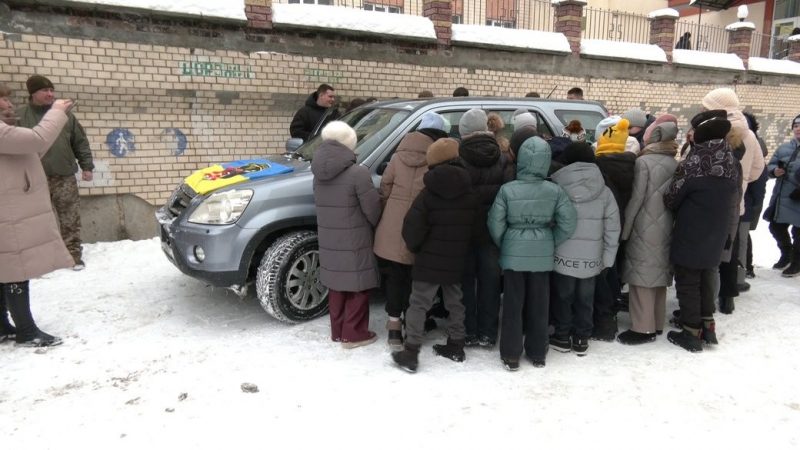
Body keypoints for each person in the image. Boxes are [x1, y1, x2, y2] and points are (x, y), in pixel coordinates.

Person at [488, 136, 577, 370]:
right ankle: (537, 352)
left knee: (512, 305)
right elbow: (568, 222)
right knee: (540, 305)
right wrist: (549, 240)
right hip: (542, 255)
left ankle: (510, 354)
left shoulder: (507, 190)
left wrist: (507, 243)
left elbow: (495, 224)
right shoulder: (555, 191)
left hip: (513, 253)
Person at [392, 138, 480, 373]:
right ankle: (456, 345)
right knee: (455, 302)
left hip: (428, 259)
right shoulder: (470, 191)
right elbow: (476, 228)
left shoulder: (427, 193)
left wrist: (416, 248)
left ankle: (411, 352)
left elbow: (412, 227)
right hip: (457, 258)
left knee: (418, 303)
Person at [0, 85, 75, 346]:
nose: (8, 104)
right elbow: (37, 140)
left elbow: (31, 150)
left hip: (10, 210)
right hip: (9, 215)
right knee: (16, 269)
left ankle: (3, 327)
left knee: (5, 268)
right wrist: (56, 112)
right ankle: (27, 332)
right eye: (2, 99)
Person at [664, 110, 740, 352]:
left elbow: (671, 199)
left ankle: (690, 332)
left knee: (687, 281)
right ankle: (707, 325)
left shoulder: (693, 165)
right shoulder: (731, 162)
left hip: (691, 232)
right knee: (707, 276)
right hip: (717, 231)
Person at [373, 112, 449, 350]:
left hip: (392, 228)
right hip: (423, 229)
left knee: (395, 278)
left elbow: (384, 188)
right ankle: (416, 324)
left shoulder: (397, 156)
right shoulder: (438, 158)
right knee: (419, 281)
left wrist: (386, 215)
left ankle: (394, 329)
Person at [310, 121, 381, 349]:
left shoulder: (317, 174)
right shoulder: (358, 173)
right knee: (358, 286)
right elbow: (372, 210)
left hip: (330, 238)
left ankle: (338, 331)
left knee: (337, 285)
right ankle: (354, 334)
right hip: (355, 238)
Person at [16, 75, 93, 270]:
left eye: (52, 90)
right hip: (33, 178)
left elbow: (80, 141)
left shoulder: (65, 116)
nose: (50, 94)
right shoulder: (20, 116)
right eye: (45, 90)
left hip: (64, 175)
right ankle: (41, 259)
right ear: (33, 93)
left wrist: (87, 166)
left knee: (70, 216)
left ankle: (73, 255)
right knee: (36, 219)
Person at [549, 142, 618, 356]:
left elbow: (551, 222)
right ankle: (581, 337)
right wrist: (608, 258)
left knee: (563, 297)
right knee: (586, 299)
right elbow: (612, 227)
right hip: (592, 258)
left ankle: (561, 336)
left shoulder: (557, 187)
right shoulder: (604, 191)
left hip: (562, 256)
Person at [701, 87, 766, 313]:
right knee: (730, 250)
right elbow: (759, 168)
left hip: (708, 201)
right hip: (735, 202)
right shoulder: (749, 135)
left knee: (706, 251)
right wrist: (744, 180)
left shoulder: (711, 129)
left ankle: (703, 301)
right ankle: (727, 298)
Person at [617, 118, 679, 345]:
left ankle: (643, 328)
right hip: (667, 225)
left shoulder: (644, 163)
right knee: (659, 275)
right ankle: (657, 322)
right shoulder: (675, 163)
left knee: (641, 276)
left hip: (644, 225)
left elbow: (636, 199)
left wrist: (625, 231)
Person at [458, 109, 514, 347]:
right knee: (491, 281)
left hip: (465, 228)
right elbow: (508, 193)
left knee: (465, 282)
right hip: (493, 230)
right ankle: (488, 333)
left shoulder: (458, 155)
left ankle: (468, 330)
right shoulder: (502, 156)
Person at [592, 118, 636, 341]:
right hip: (623, 226)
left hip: (601, 226)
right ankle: (611, 316)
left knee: (601, 275)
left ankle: (603, 324)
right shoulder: (633, 164)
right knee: (614, 272)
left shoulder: (599, 166)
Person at [763, 114, 800, 277]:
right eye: (796, 125)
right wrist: (774, 171)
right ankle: (787, 254)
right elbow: (770, 166)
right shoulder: (784, 148)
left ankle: (797, 263)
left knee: (798, 233)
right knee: (776, 226)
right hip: (781, 196)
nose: (798, 128)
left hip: (797, 197)